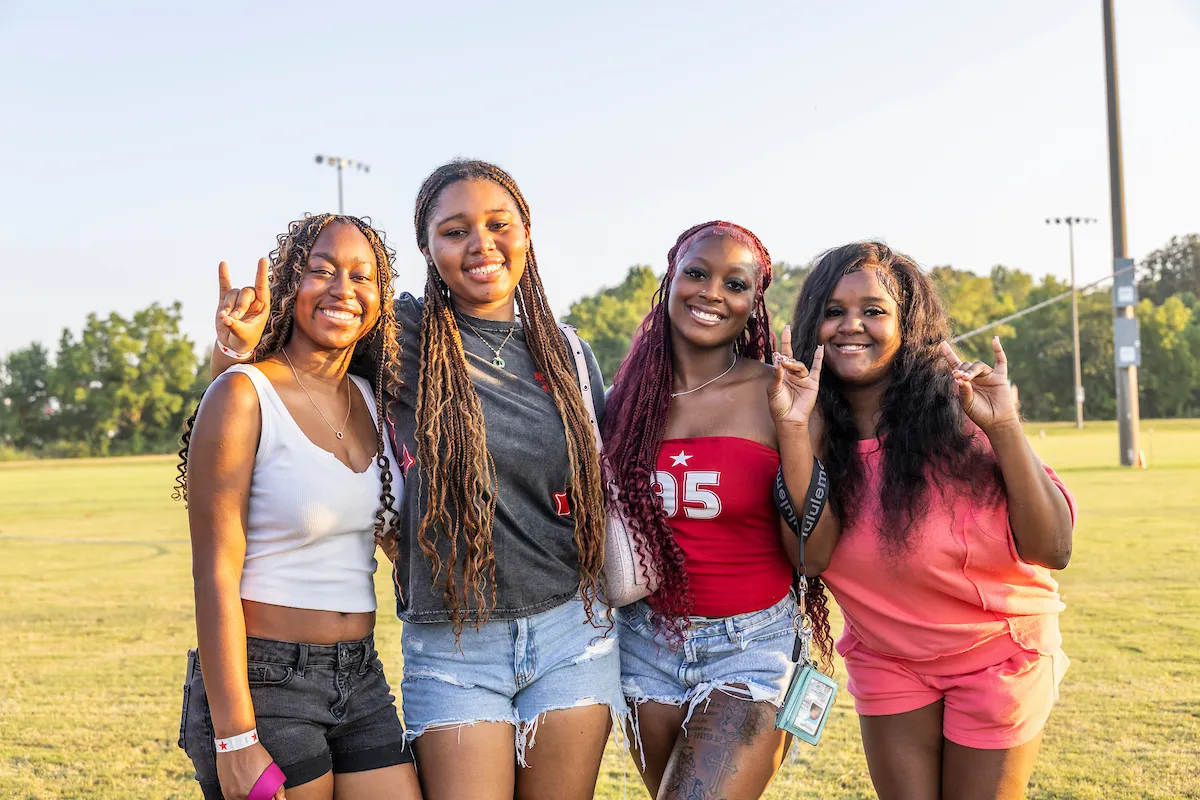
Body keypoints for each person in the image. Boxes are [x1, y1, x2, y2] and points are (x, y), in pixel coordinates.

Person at [208, 160, 622, 800]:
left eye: (497, 224)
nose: (480, 244)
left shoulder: (568, 352)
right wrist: (233, 351)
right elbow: (285, 377)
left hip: (572, 632)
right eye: (454, 230)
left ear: (527, 232)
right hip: (454, 643)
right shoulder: (396, 335)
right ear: (428, 248)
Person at [785, 241, 1075, 800]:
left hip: (998, 653)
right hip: (889, 659)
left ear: (907, 324)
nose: (852, 326)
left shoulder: (960, 421)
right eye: (834, 310)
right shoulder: (802, 423)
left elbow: (1054, 547)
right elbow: (808, 556)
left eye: (874, 310)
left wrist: (1006, 426)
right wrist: (798, 434)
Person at [176, 214, 421, 799]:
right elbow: (213, 576)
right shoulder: (243, 393)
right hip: (266, 683)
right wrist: (236, 739)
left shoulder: (374, 397)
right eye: (321, 271)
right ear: (289, 284)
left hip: (360, 677)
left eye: (362, 277)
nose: (342, 289)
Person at [601, 221, 834, 800]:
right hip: (644, 645)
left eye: (735, 284)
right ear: (670, 280)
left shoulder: (780, 392)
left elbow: (813, 554)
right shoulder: (627, 402)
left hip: (750, 645)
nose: (711, 293)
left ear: (754, 303)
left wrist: (794, 429)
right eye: (697, 273)